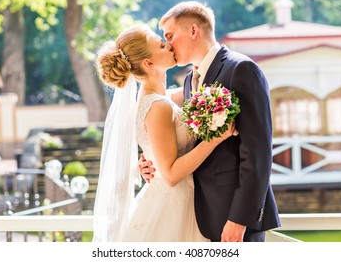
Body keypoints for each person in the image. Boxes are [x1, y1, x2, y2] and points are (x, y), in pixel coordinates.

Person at [139, 1, 281, 242]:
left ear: (193, 30)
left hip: (234, 220)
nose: (169, 45)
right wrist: (151, 161)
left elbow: (258, 153)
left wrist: (240, 218)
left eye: (170, 35)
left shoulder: (242, 69)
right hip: (197, 216)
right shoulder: (188, 81)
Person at [92, 24, 236, 242]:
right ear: (149, 63)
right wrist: (214, 140)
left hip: (180, 198)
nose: (169, 45)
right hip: (174, 203)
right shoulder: (158, 106)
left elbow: (192, 92)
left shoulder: (160, 98)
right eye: (161, 45)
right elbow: (170, 175)